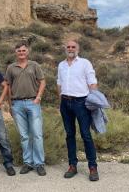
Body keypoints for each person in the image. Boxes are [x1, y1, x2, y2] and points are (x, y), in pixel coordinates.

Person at [57, 40, 99, 181]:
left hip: (81, 102)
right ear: (65, 49)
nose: (70, 49)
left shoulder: (85, 63)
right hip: (65, 102)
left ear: (78, 49)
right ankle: (72, 166)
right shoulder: (61, 65)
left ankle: (92, 167)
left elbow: (92, 83)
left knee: (86, 135)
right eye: (68, 47)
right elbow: (59, 83)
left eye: (73, 47)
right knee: (69, 135)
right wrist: (60, 101)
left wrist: (94, 101)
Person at [4, 41, 46, 176]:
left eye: (23, 50)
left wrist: (38, 97)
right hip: (17, 104)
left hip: (33, 103)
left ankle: (39, 163)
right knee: (24, 136)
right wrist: (10, 105)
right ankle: (28, 163)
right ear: (15, 53)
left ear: (27, 52)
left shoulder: (34, 65)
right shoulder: (11, 68)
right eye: (18, 51)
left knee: (37, 134)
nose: (21, 53)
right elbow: (8, 86)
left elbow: (43, 81)